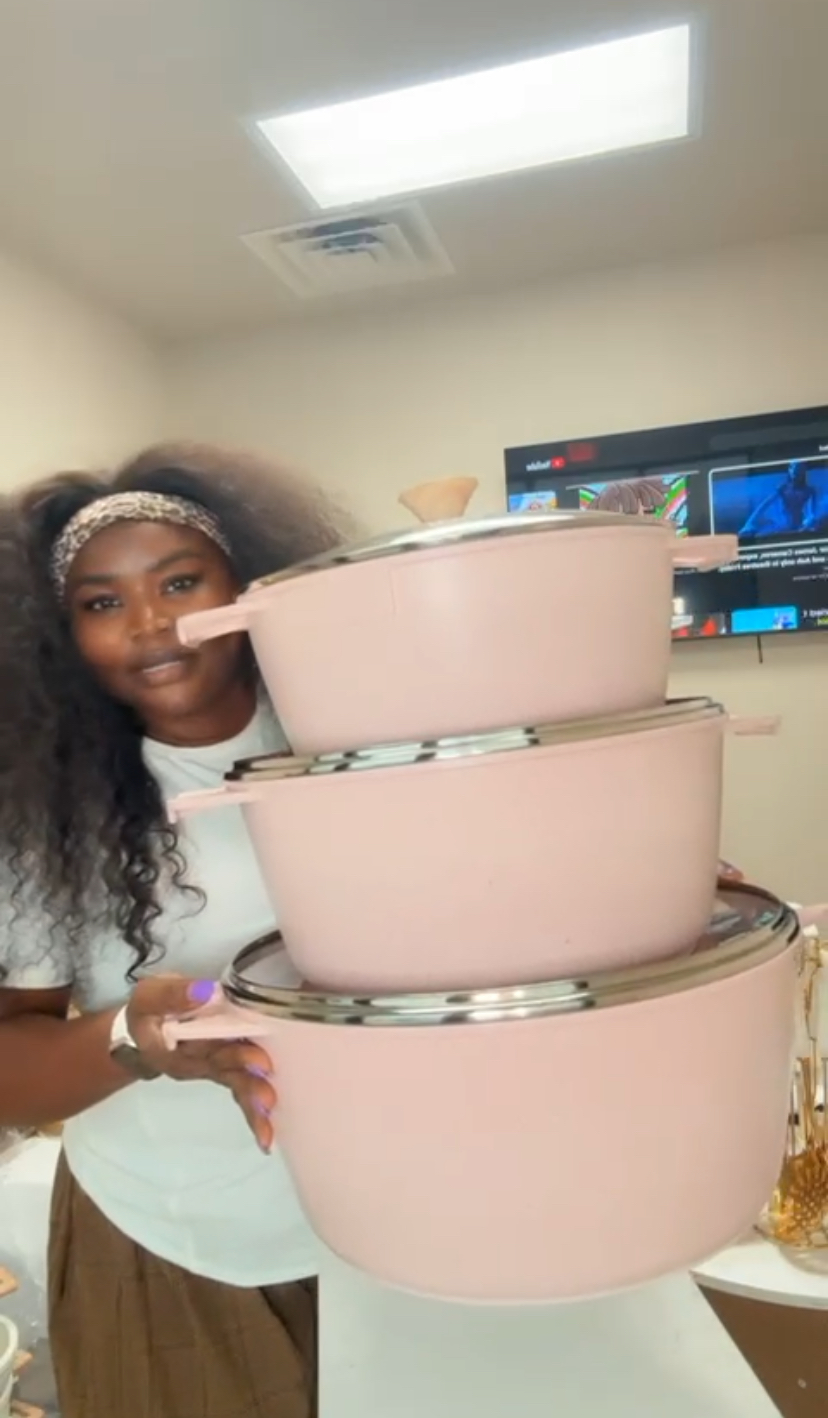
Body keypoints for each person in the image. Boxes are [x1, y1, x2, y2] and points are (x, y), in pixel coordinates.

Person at [0, 443, 350, 1418]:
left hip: (392, 1204)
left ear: (249, 583)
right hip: (174, 1241)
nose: (150, 623)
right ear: (62, 636)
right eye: (101, 602)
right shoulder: (47, 820)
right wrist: (134, 1036)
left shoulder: (358, 734)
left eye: (181, 581)